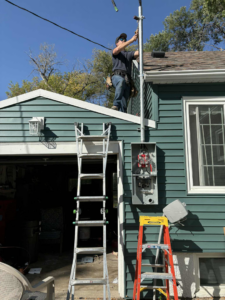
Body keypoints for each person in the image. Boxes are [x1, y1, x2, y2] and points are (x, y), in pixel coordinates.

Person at [111, 32, 139, 112]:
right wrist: (132, 40)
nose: (123, 40)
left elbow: (140, 52)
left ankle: (122, 116)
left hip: (127, 81)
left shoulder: (129, 54)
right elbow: (117, 50)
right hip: (117, 76)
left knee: (124, 105)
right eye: (121, 39)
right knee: (120, 81)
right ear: (117, 43)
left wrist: (138, 38)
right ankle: (116, 104)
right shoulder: (116, 52)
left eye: (124, 39)